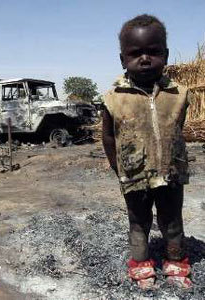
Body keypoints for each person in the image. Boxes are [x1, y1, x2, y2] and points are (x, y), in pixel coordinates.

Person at [102, 14, 192, 290]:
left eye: (153, 52)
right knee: (138, 222)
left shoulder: (179, 93)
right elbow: (108, 137)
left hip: (171, 172)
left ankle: (175, 261)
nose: (144, 58)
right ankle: (141, 265)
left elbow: (176, 129)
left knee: (172, 220)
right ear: (122, 59)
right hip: (134, 175)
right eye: (136, 53)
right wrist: (119, 168)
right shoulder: (114, 98)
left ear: (165, 55)